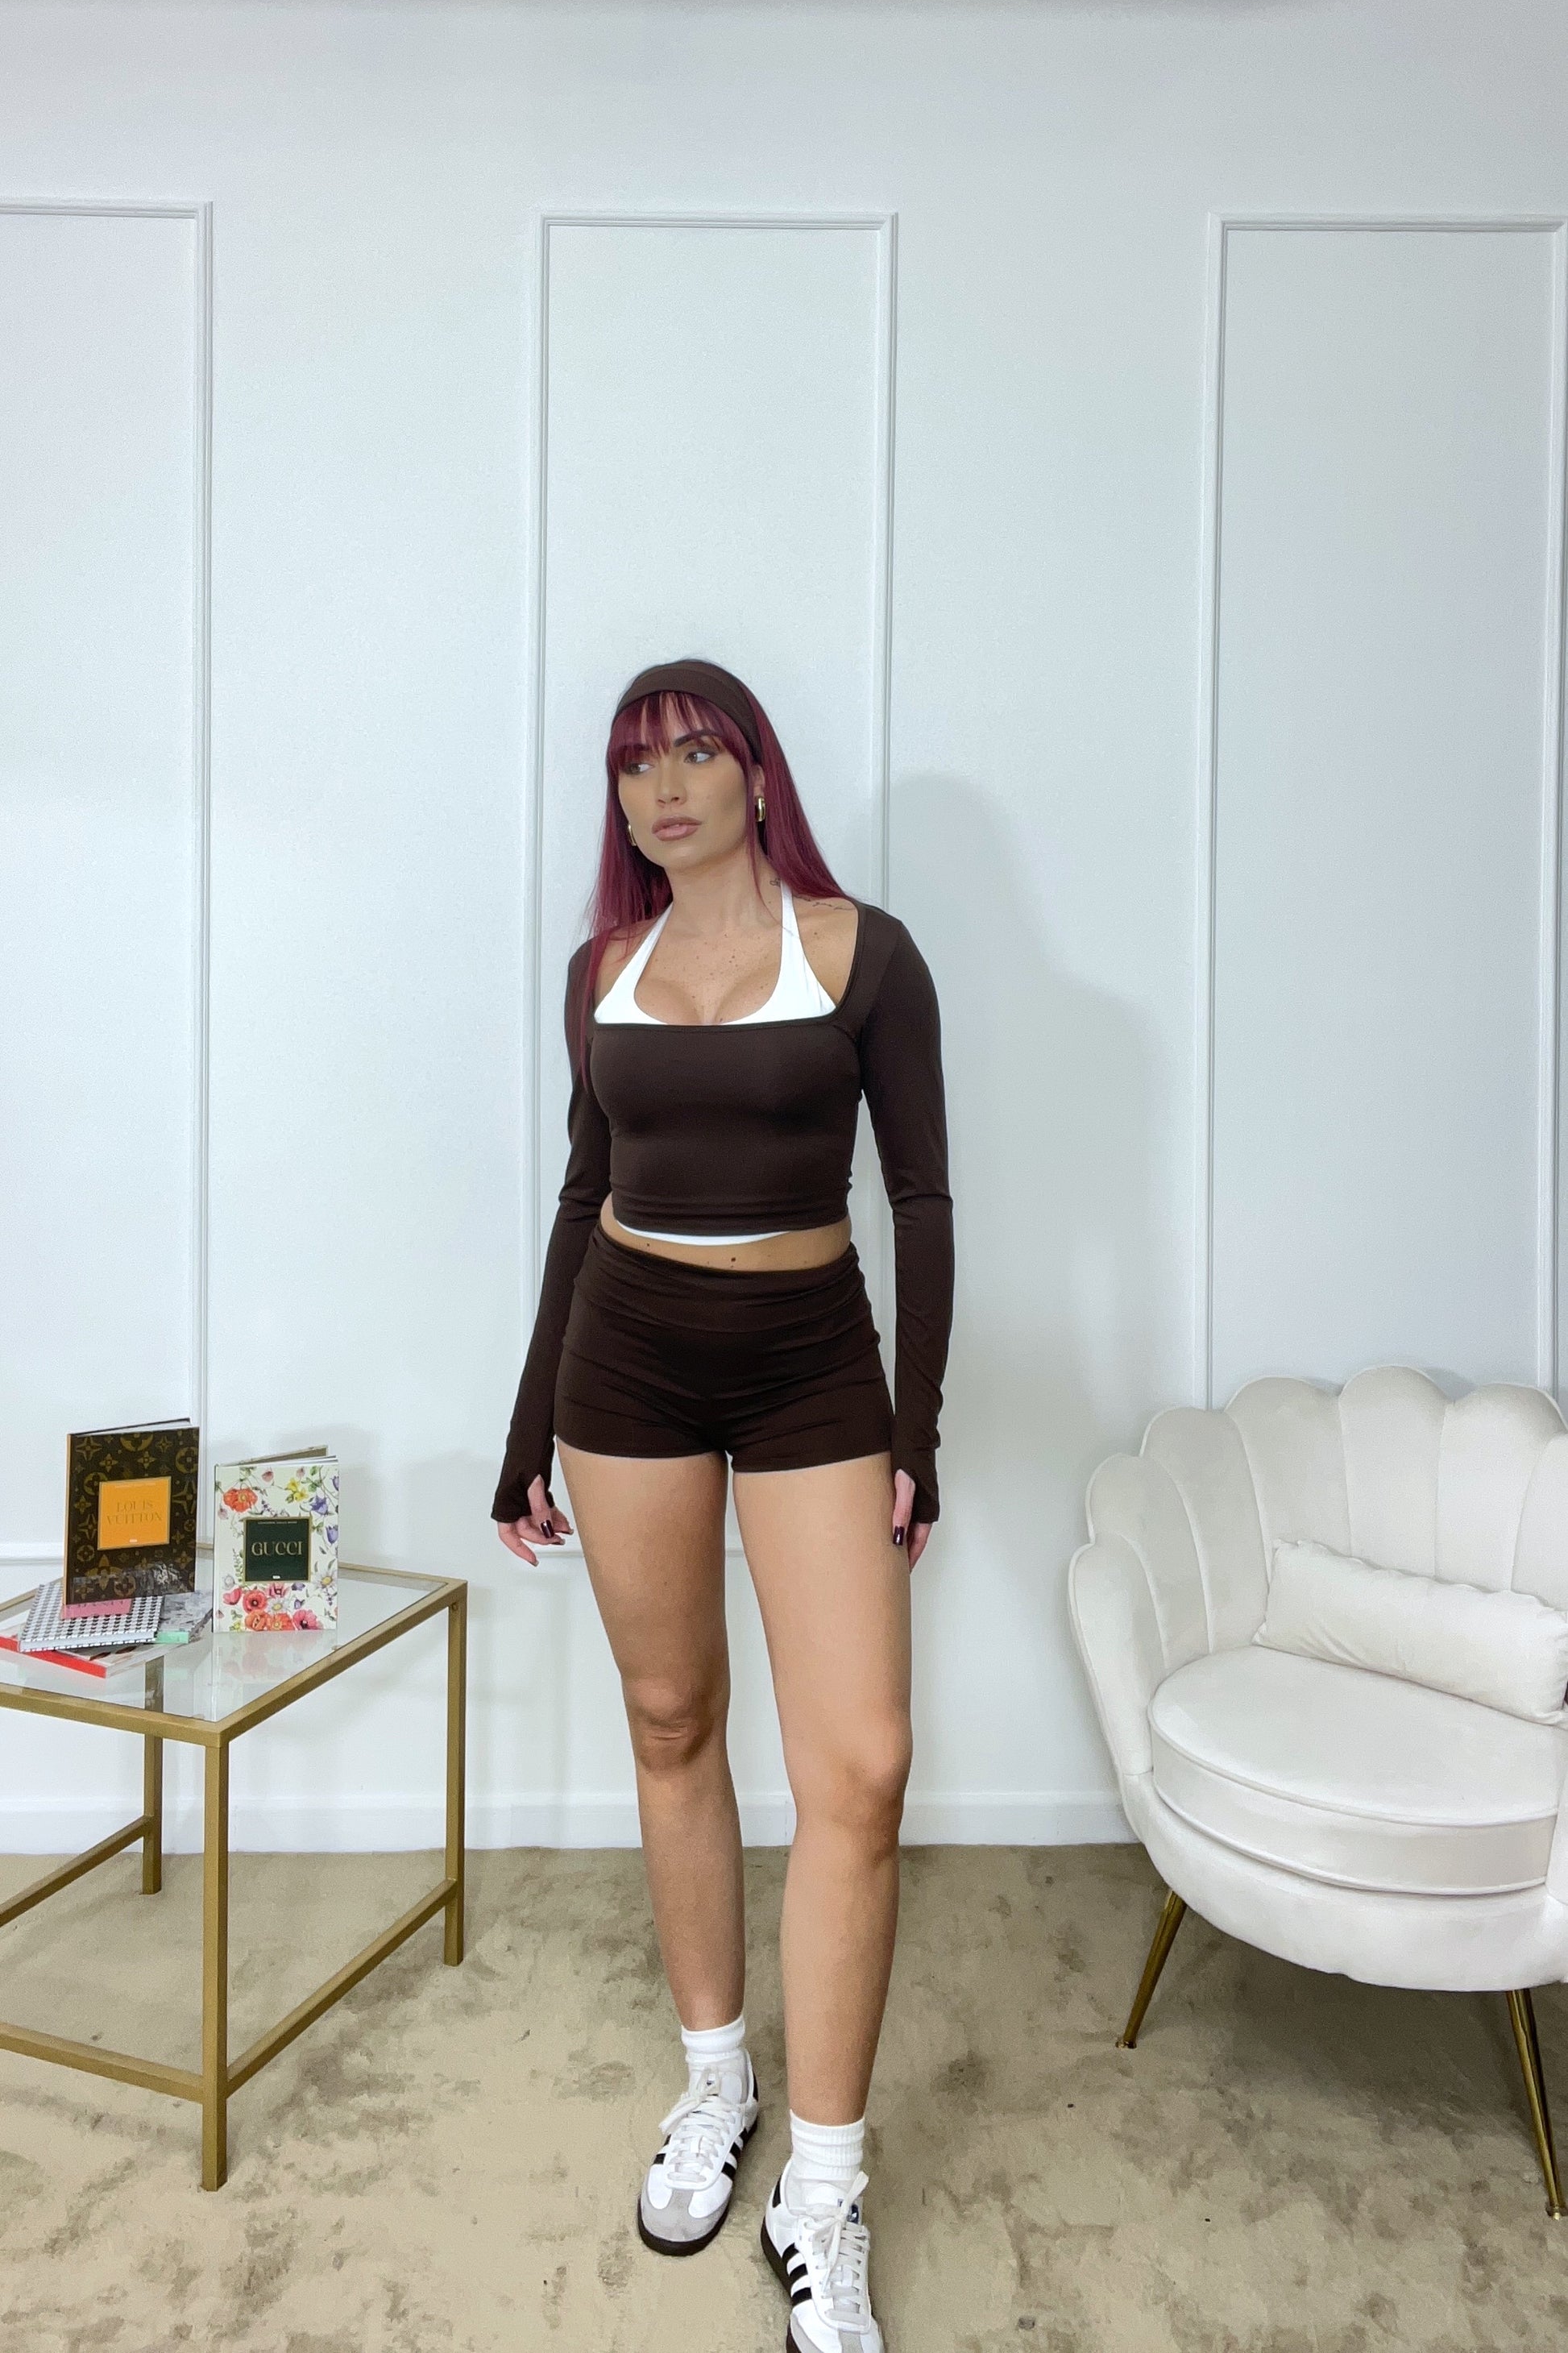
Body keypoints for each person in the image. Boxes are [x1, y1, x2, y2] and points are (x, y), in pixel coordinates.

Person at [492, 655, 955, 2353]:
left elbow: (921, 1195)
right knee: (673, 1716)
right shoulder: (598, 972)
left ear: (758, 774)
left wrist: (916, 1425)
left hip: (811, 1366)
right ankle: (716, 2078)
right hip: (624, 1366)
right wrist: (524, 1423)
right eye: (635, 764)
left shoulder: (863, 952)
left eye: (696, 751)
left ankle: (820, 2187)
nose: (664, 786)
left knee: (862, 1764)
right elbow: (582, 1193)